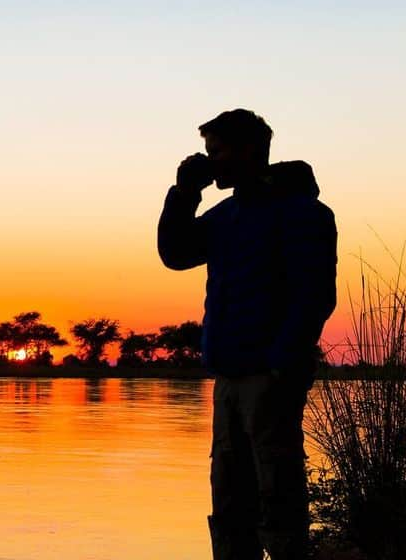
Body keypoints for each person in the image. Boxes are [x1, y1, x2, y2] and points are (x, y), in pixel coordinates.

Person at [157, 109, 337, 560]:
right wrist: (183, 194)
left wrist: (281, 363)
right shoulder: (227, 215)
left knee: (277, 491)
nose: (210, 161)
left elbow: (314, 296)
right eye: (207, 152)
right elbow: (176, 254)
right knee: (230, 494)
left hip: (270, 376)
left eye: (216, 151)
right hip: (229, 376)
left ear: (248, 151)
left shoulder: (303, 212)